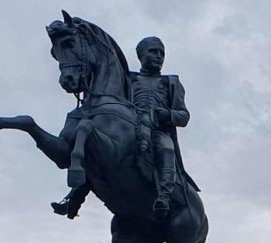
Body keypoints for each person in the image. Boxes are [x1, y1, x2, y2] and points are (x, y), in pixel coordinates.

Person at [51, 36, 195, 219]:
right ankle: (75, 198)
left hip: (155, 131)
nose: (159, 56)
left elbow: (183, 116)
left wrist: (165, 114)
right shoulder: (128, 79)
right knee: (96, 149)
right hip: (128, 127)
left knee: (166, 148)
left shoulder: (171, 82)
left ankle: (164, 196)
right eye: (153, 52)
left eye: (162, 53)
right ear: (141, 55)